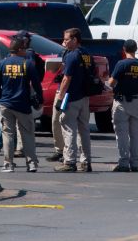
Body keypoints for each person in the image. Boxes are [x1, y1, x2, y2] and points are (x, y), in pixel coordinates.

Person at [0, 30, 45, 157]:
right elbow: (36, 82)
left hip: (7, 101)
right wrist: (40, 99)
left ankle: (7, 161)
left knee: (7, 131)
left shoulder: (3, 62)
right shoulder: (27, 61)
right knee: (26, 131)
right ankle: (29, 160)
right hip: (22, 100)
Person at [53, 28, 92, 172]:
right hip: (84, 97)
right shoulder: (86, 54)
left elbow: (66, 79)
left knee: (68, 128)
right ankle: (86, 161)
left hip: (71, 97)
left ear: (75, 40)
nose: (64, 42)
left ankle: (69, 162)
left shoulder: (72, 55)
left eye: (67, 39)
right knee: (84, 130)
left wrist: (60, 98)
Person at [108, 39, 138, 172]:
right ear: (136, 49)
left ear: (124, 50)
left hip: (121, 102)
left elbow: (112, 82)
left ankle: (124, 163)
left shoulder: (121, 64)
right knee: (135, 135)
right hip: (136, 101)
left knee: (122, 134)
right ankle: (135, 163)